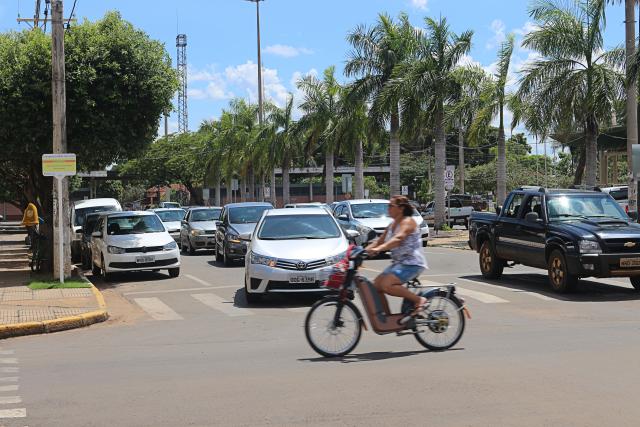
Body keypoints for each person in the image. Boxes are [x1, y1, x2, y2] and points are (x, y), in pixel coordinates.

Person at [365, 195, 429, 316]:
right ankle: (388, 318)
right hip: (399, 264)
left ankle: (419, 300)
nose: (388, 208)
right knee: (376, 287)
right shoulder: (392, 224)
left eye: (390, 206)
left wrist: (379, 249)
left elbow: (398, 238)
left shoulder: (408, 221)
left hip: (412, 263)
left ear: (401, 208)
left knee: (386, 285)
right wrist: (362, 251)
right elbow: (378, 241)